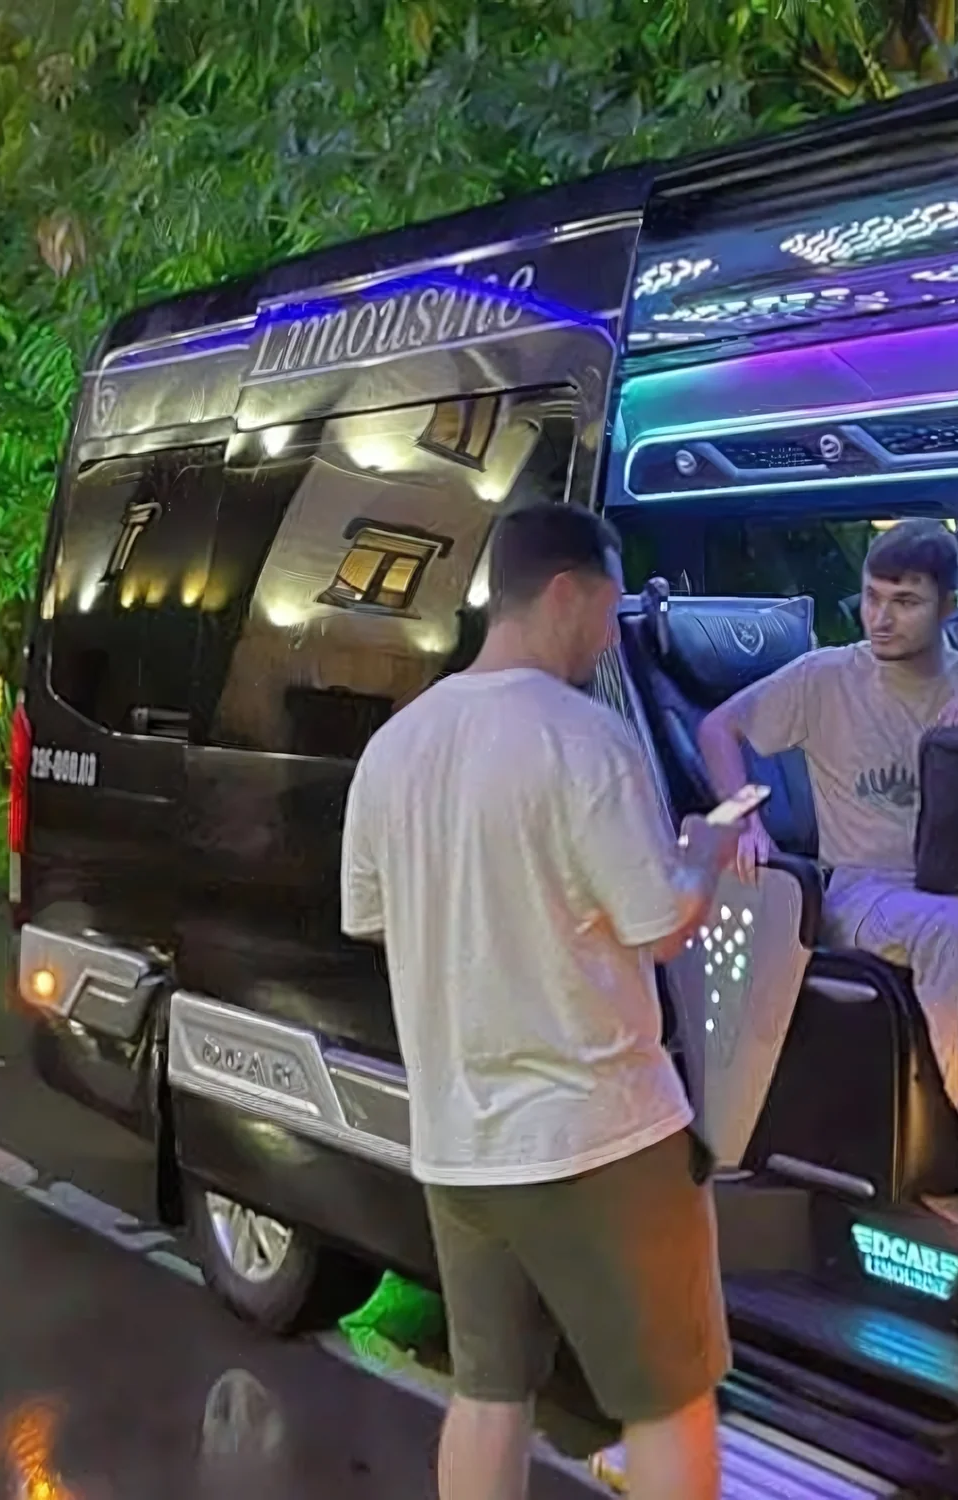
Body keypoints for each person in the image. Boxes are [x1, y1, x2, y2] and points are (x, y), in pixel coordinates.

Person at [341, 503, 740, 1500]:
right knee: (669, 1401)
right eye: (606, 608)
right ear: (565, 593)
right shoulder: (583, 737)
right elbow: (659, 923)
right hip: (601, 1138)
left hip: (459, 1144)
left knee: (488, 1393)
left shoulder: (395, 746)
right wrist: (704, 855)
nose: (608, 635)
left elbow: (374, 918)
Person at [696, 517, 958, 1119]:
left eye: (906, 602)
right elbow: (719, 728)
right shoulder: (825, 677)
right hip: (861, 891)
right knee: (952, 929)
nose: (881, 618)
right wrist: (744, 819)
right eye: (872, 597)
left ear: (949, 608)